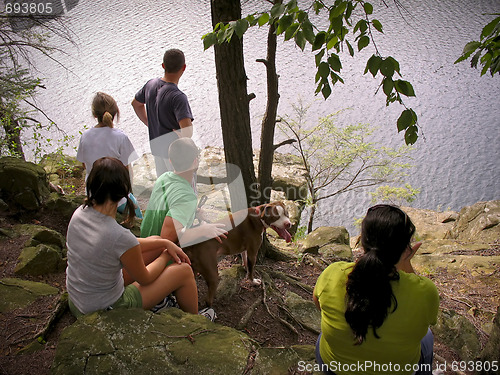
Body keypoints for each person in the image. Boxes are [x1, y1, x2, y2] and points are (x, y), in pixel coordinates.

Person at [65, 157, 215, 320]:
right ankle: (196, 322)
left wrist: (163, 242)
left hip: (77, 300)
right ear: (123, 191)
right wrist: (165, 254)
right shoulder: (118, 235)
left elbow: (121, 245)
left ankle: (158, 299)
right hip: (105, 309)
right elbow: (145, 277)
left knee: (155, 242)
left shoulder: (80, 213)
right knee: (184, 271)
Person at [313, 204, 439, 375]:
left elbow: (318, 306)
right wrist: (405, 263)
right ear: (404, 249)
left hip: (335, 369)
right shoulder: (425, 292)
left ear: (362, 241)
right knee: (427, 336)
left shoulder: (332, 273)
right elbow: (427, 319)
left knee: (323, 336)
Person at [140, 138, 227, 248]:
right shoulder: (187, 197)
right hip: (159, 255)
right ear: (195, 161)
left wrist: (191, 212)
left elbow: (170, 205)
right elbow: (167, 237)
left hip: (144, 243)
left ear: (170, 161)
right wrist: (202, 230)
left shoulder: (164, 178)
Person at [76, 92, 142, 218]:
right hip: (117, 197)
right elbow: (127, 170)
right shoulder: (121, 137)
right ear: (115, 113)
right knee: (139, 217)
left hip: (93, 194)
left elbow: (84, 165)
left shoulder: (85, 137)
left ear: (95, 115)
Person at [131, 48, 194, 178]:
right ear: (184, 68)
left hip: (157, 149)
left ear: (163, 66)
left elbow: (136, 104)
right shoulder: (178, 97)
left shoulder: (150, 85)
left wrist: (149, 122)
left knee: (164, 188)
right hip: (176, 156)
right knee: (181, 188)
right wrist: (181, 135)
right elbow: (187, 131)